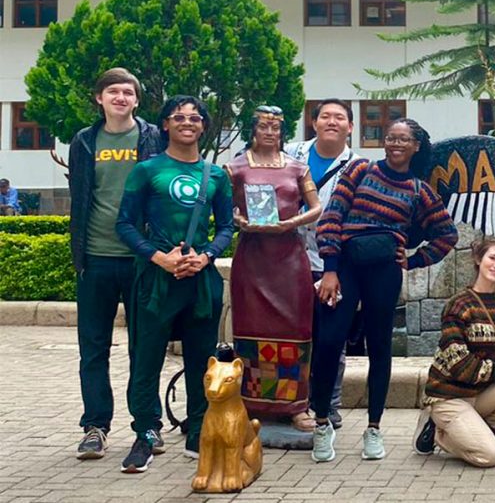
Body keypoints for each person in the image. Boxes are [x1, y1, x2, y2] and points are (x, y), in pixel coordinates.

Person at [309, 117, 458, 463]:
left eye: (403, 139)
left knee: (379, 347)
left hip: (385, 272)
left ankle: (374, 428)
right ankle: (321, 424)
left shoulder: (419, 190)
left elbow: (447, 235)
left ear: (416, 146)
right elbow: (332, 217)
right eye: (390, 137)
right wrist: (330, 269)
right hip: (345, 267)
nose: (395, 144)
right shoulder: (360, 169)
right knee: (329, 341)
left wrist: (414, 260)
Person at [115, 96, 234, 473]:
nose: (187, 123)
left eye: (195, 118)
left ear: (203, 126)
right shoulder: (147, 170)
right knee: (146, 358)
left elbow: (228, 226)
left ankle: (198, 430)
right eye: (178, 117)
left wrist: (207, 255)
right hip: (156, 280)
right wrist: (159, 257)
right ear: (164, 124)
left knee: (203, 358)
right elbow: (125, 224)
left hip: (200, 280)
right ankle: (146, 433)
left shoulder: (215, 175)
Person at [68, 68, 164, 460]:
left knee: (145, 347)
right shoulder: (85, 141)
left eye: (128, 92)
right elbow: (80, 194)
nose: (120, 98)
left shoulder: (152, 136)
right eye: (113, 92)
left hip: (141, 259)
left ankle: (147, 426)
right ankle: (95, 426)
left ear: (137, 100)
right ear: (99, 98)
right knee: (93, 348)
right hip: (95, 258)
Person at [226, 106, 321, 429]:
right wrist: (238, 220)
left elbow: (316, 207)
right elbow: (224, 209)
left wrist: (291, 222)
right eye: (263, 126)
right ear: (252, 128)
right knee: (252, 330)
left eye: (276, 127)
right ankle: (252, 402)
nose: (270, 132)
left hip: (290, 259)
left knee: (295, 331)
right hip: (253, 259)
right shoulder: (234, 167)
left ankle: (296, 404)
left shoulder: (297, 167)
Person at [413, 238, 495, 467]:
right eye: (492, 258)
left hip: (482, 394)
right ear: (478, 259)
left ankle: (478, 429)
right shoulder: (459, 305)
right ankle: (439, 433)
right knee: (489, 457)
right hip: (449, 395)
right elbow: (460, 363)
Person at [285, 99, 359, 428]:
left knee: (332, 336)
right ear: (314, 123)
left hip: (333, 262)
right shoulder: (289, 155)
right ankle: (292, 402)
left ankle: (328, 404)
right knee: (291, 336)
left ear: (350, 127)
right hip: (287, 260)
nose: (331, 121)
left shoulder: (358, 166)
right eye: (325, 116)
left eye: (339, 117)